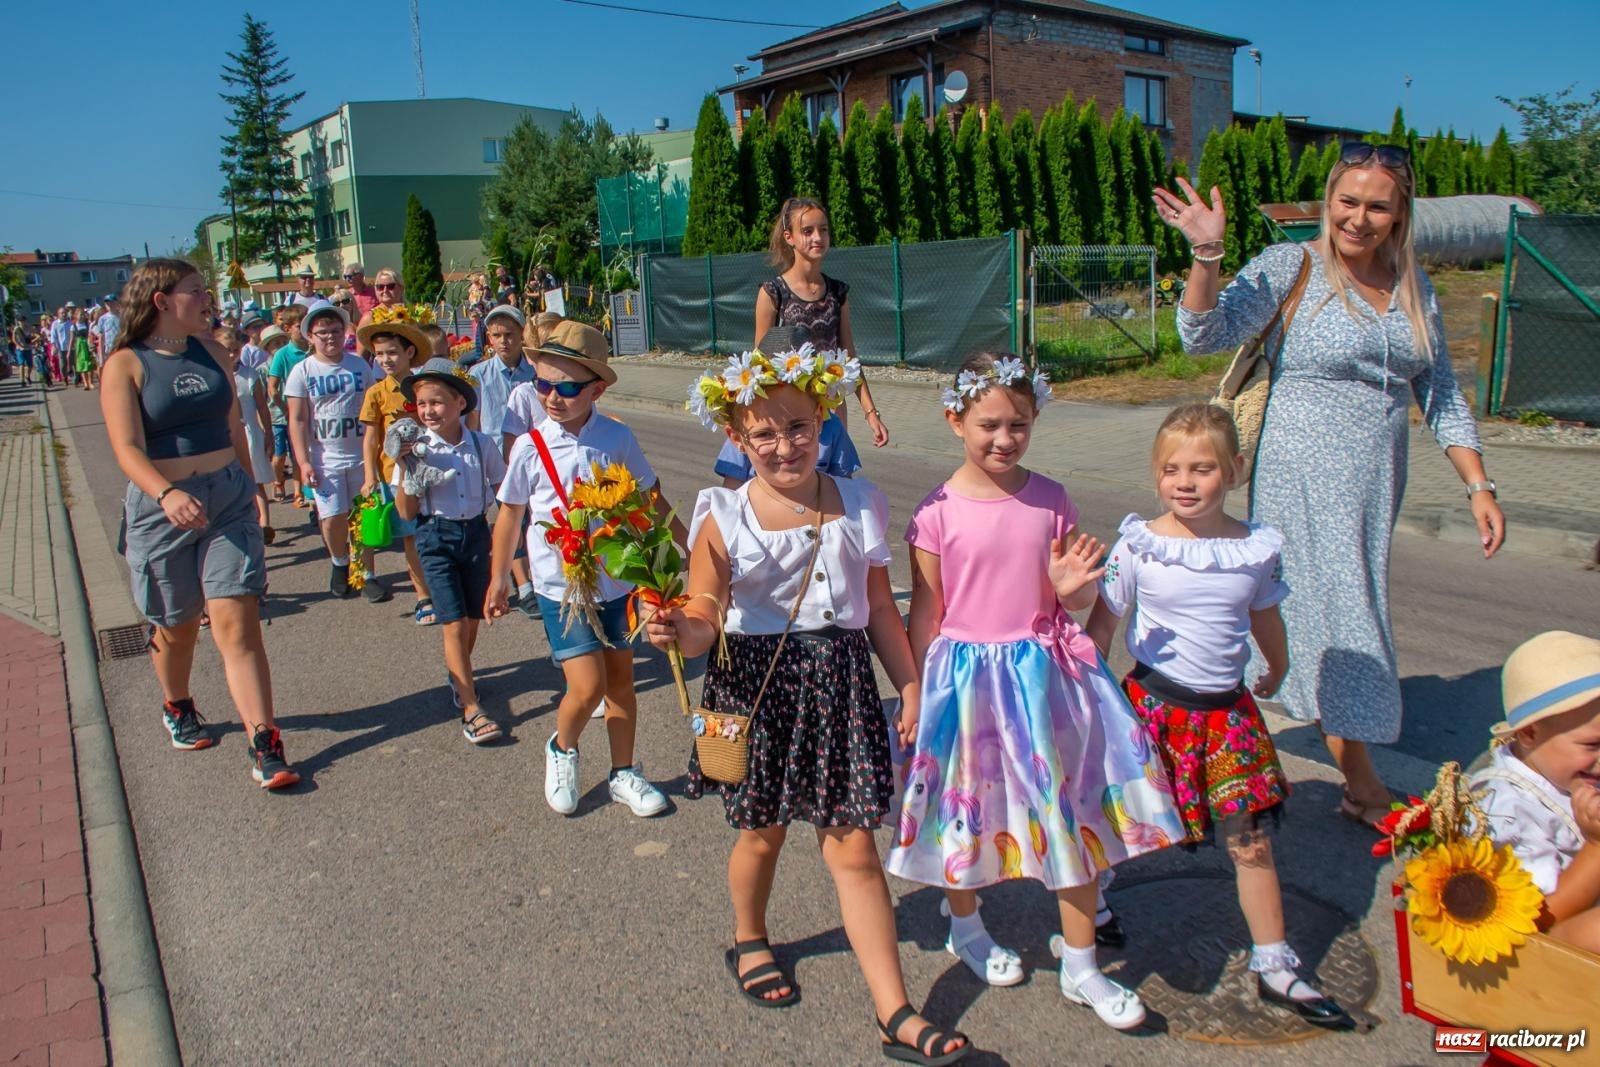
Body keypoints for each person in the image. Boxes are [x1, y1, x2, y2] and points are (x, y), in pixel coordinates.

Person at [1155, 145, 1507, 826]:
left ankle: (1223, 741)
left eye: (1377, 206)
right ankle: (1362, 786)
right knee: (1340, 611)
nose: (1358, 218)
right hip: (1302, 472)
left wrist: (1478, 484)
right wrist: (1207, 255)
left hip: (1375, 481)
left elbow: (1438, 389)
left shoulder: (1412, 283)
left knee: (1328, 607)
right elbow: (1202, 333)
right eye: (1347, 201)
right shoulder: (1293, 265)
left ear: (1400, 213)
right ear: (1328, 200)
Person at [648, 345, 970, 1065]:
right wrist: (678, 628)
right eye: (763, 433)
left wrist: (910, 683)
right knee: (761, 834)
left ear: (823, 418)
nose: (784, 444)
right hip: (757, 689)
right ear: (737, 437)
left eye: (798, 426)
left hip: (841, 686)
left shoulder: (861, 500)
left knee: (855, 845)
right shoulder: (722, 513)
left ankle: (895, 1011)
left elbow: (880, 608)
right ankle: (749, 936)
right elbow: (705, 611)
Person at [883, 353, 1179, 1033]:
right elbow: (926, 610)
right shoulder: (936, 511)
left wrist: (1071, 590)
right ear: (955, 420)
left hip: (1044, 679)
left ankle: (1082, 963)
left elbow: (1066, 595)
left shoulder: (1051, 498)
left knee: (1071, 814)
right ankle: (966, 925)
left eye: (1018, 424)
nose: (1004, 438)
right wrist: (916, 689)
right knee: (963, 811)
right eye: (988, 424)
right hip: (965, 681)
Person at [1086, 403, 1353, 1029]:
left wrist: (1279, 667)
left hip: (1228, 714)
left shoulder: (1256, 549)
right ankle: (1093, 909)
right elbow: (1103, 624)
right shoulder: (1140, 545)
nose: (1185, 482)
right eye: (1171, 469)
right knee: (1118, 819)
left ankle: (1275, 964)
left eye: (1202, 469)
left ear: (1234, 470)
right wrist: (1083, 690)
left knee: (1250, 840)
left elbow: (1265, 616)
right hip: (1152, 707)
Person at [99, 258, 298, 789]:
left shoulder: (213, 353)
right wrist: (165, 494)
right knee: (179, 624)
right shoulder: (126, 364)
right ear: (162, 300)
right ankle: (178, 703)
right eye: (195, 290)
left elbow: (234, 428)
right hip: (162, 506)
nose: (207, 298)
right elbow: (126, 448)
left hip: (226, 499)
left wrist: (253, 491)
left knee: (237, 622)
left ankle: (265, 743)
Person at [485, 321, 682, 818]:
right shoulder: (530, 446)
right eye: (543, 384)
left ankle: (623, 772)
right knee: (587, 686)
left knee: (621, 683)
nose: (552, 397)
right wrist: (499, 577)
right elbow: (510, 513)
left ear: (596, 390)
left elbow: (649, 496)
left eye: (567, 388)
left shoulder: (617, 437)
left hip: (617, 582)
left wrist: (688, 548)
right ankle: (562, 747)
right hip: (561, 588)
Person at [393, 360, 507, 741]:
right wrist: (407, 468)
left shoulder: (481, 444)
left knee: (472, 620)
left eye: (436, 402)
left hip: (475, 534)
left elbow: (505, 493)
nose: (428, 411)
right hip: (435, 537)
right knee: (454, 623)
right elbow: (406, 513)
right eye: (422, 404)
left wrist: (511, 538)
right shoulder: (416, 449)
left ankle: (460, 675)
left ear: (460, 403)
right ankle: (471, 708)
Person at [1470, 630, 1600, 955]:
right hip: (1551, 943)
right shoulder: (1506, 810)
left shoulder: (1567, 771)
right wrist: (1596, 846)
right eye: (1593, 745)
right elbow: (1539, 918)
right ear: (1529, 734)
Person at [757, 197, 890, 449]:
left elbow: (849, 358)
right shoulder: (773, 293)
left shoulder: (837, 293)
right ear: (789, 237)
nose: (818, 237)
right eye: (807, 231)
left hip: (833, 411)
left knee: (835, 473)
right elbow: (760, 363)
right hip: (791, 417)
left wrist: (871, 414)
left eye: (823, 229)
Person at [285, 301, 375, 597]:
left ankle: (365, 572)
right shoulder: (302, 371)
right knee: (333, 517)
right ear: (310, 336)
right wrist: (303, 462)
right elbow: (297, 420)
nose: (330, 337)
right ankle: (340, 562)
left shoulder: (358, 365)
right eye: (322, 332)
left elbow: (372, 411)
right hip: (325, 459)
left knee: (362, 516)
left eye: (335, 330)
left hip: (360, 455)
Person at [714, 326, 860, 489]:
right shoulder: (748, 428)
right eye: (765, 434)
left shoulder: (832, 426)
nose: (785, 450)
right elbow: (732, 488)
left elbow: (844, 486)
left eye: (798, 427)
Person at [358, 319, 434, 619]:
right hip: (397, 475)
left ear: (409, 352)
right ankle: (423, 596)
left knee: (435, 532)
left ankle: (444, 587)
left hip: (432, 469)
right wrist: (370, 476)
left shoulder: (424, 386)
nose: (385, 359)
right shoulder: (377, 393)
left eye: (392, 352)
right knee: (411, 536)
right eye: (379, 354)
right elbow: (371, 438)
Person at [471, 305, 535, 607]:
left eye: (509, 334)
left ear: (522, 335)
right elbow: (473, 421)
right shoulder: (479, 374)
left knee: (534, 520)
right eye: (496, 335)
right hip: (497, 462)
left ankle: (534, 576)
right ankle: (524, 586)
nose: (503, 341)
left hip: (532, 459)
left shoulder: (534, 373)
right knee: (512, 520)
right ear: (489, 338)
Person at [215, 323, 276, 547]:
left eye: (236, 350)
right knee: (232, 484)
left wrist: (268, 434)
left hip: (251, 434)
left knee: (255, 481)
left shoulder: (249, 374)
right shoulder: (215, 375)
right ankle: (241, 522)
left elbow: (262, 406)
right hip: (225, 437)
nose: (232, 355)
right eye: (227, 350)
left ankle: (265, 525)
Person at [266, 307, 309, 507]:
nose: (305, 330)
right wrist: (286, 408)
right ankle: (281, 482)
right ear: (288, 329)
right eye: (300, 326)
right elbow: (272, 388)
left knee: (305, 455)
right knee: (284, 455)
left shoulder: (314, 350)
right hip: (288, 416)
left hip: (313, 413)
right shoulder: (283, 354)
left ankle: (301, 493)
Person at [72, 308, 97, 389]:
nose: (82, 316)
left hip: (87, 344)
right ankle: (85, 383)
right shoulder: (74, 326)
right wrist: (70, 350)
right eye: (80, 315)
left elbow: (90, 334)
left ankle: (90, 382)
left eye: (83, 314)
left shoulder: (87, 324)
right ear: (76, 316)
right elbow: (72, 339)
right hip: (80, 345)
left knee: (89, 363)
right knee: (82, 363)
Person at [93, 295, 122, 367]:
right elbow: (101, 338)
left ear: (117, 303)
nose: (109, 305)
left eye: (111, 303)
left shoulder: (123, 317)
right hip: (109, 350)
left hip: (122, 348)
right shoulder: (102, 319)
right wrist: (101, 356)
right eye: (107, 303)